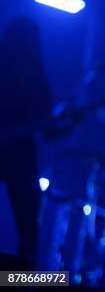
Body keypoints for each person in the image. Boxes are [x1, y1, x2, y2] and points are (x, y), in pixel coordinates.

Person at [0, 17, 52, 267]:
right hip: (17, 153)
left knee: (28, 227)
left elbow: (49, 129)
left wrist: (77, 115)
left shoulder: (37, 75)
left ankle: (19, 281)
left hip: (21, 156)